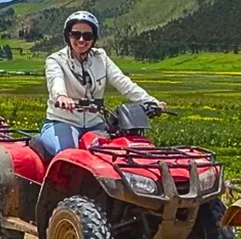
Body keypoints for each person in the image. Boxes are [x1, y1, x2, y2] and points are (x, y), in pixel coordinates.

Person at [40, 10, 166, 156]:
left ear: (94, 38)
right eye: (76, 34)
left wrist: (151, 102)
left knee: (113, 153)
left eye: (87, 35)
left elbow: (123, 82)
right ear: (68, 35)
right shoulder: (56, 60)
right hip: (63, 122)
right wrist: (61, 97)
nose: (81, 40)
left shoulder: (101, 58)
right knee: (70, 154)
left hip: (96, 124)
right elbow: (56, 80)